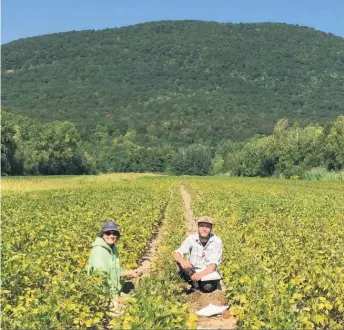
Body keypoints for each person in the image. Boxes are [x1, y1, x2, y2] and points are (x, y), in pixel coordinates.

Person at [87, 220, 140, 299]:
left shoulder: (113, 249)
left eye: (114, 233)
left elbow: (115, 271)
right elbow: (100, 279)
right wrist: (113, 298)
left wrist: (130, 272)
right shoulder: (99, 251)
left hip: (114, 291)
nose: (111, 236)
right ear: (102, 234)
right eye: (108, 233)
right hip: (103, 295)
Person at [172, 216, 222, 293]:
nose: (204, 229)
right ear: (198, 227)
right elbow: (176, 253)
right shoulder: (191, 239)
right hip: (193, 269)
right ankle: (193, 281)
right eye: (201, 226)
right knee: (179, 263)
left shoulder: (217, 241)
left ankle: (195, 282)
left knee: (208, 287)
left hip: (207, 272)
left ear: (211, 229)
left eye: (207, 227)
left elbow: (213, 265)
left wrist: (200, 275)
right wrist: (183, 261)